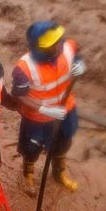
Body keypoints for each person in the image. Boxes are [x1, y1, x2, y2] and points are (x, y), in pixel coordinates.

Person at [11, 22, 87, 196]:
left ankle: (59, 173)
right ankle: (28, 175)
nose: (58, 46)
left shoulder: (68, 47)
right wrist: (44, 109)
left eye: (58, 41)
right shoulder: (24, 68)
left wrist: (80, 67)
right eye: (52, 45)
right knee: (31, 149)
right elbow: (19, 95)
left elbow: (77, 58)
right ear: (40, 48)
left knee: (63, 143)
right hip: (37, 120)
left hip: (65, 111)